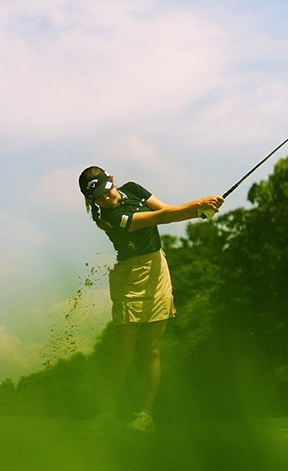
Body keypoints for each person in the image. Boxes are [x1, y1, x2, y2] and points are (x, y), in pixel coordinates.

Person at [78, 166, 223, 432]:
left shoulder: (133, 188)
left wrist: (201, 210)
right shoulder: (112, 218)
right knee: (124, 351)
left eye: (105, 191)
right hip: (130, 276)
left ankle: (145, 415)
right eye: (97, 198)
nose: (104, 199)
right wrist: (198, 204)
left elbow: (166, 209)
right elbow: (162, 217)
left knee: (151, 350)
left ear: (111, 180)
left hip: (157, 270)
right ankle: (108, 412)